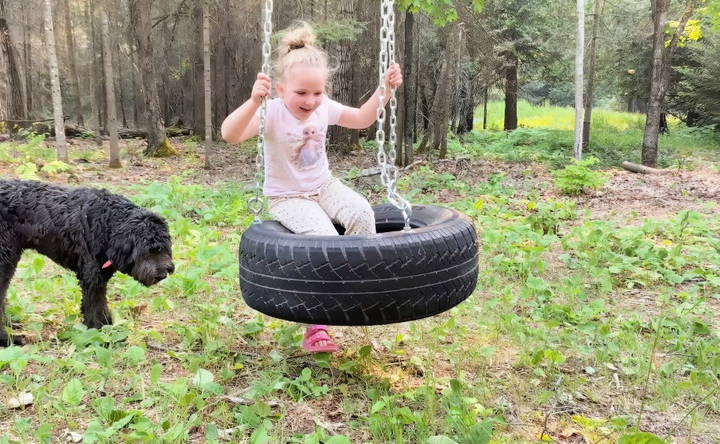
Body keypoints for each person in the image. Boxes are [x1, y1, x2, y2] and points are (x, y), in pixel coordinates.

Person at [221, 23, 403, 353]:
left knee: (363, 213)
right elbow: (230, 135)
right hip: (287, 197)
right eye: (301, 93)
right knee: (323, 241)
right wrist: (252, 103)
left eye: (317, 93)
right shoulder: (272, 112)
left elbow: (362, 118)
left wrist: (385, 90)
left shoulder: (325, 107)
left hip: (323, 186)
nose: (311, 101)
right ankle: (316, 325)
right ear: (280, 89)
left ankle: (355, 288)